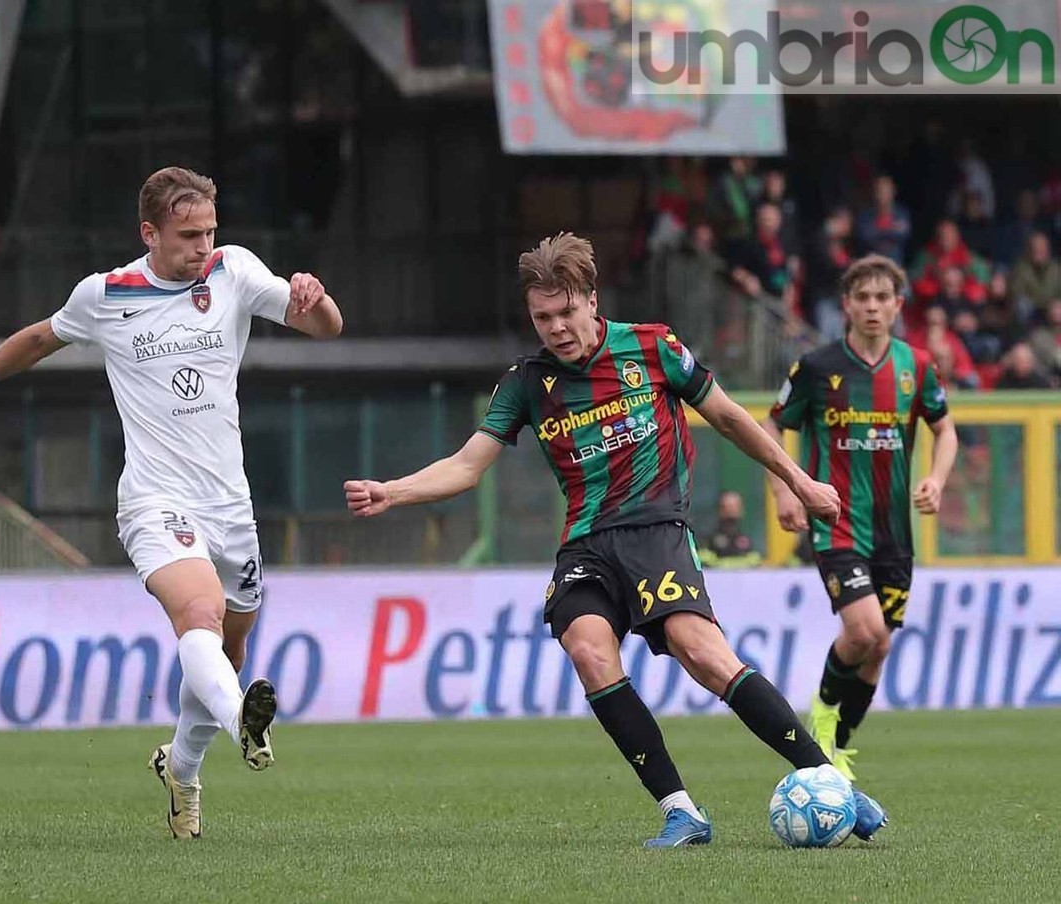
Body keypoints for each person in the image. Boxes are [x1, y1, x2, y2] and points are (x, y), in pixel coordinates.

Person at [344, 233, 887, 848]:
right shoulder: (527, 381)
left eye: (566, 313)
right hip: (585, 546)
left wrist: (798, 480)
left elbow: (732, 419)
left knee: (701, 652)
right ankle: (681, 810)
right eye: (542, 318)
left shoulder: (653, 348)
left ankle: (825, 779)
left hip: (656, 530)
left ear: (592, 300)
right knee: (588, 651)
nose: (555, 328)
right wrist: (395, 491)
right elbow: (468, 465)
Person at [0, 167, 344, 839]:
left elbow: (326, 327)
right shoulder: (106, 294)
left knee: (228, 646)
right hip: (154, 498)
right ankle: (243, 723)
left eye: (209, 231)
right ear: (149, 233)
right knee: (198, 612)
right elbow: (36, 339)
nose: (202, 246)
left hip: (230, 503)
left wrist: (314, 300)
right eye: (187, 235)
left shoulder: (233, 271)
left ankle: (181, 766)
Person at [763, 254, 958, 782]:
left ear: (897, 306)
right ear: (846, 305)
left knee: (880, 647)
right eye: (862, 298)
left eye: (882, 299)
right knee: (864, 628)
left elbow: (945, 429)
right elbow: (775, 424)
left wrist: (936, 481)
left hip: (895, 531)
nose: (872, 307)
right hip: (838, 524)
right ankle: (822, 718)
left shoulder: (915, 367)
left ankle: (838, 751)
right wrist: (785, 490)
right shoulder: (818, 367)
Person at [700, 490, 761, 568]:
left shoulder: (746, 539)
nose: (731, 510)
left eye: (735, 506)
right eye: (727, 506)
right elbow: (704, 561)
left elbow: (755, 561)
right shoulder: (709, 538)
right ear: (720, 509)